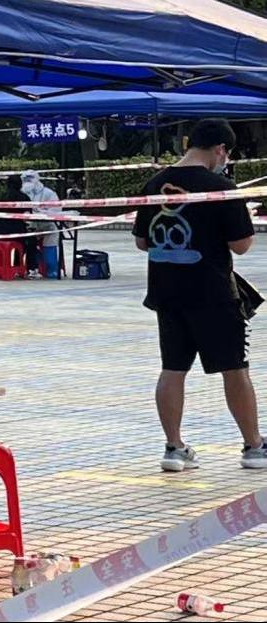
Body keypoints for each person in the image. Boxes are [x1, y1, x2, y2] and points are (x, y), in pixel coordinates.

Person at [131, 118, 266, 473]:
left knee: (172, 369)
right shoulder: (221, 188)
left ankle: (174, 447)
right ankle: (254, 446)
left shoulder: (155, 184)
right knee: (234, 369)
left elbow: (142, 241)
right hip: (213, 294)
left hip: (167, 293)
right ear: (220, 149)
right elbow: (241, 246)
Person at [19, 170, 61, 279]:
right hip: (28, 227)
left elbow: (56, 211)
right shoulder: (21, 193)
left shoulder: (49, 193)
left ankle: (51, 269)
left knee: (52, 233)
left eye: (30, 179)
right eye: (25, 180)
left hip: (46, 226)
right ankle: (29, 268)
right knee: (26, 239)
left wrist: (41, 212)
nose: (27, 182)